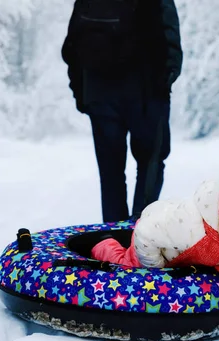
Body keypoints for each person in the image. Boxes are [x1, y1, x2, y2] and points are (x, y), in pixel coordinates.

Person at [61, 0, 183, 222]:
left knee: (110, 173)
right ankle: (140, 229)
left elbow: (71, 46)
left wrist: (82, 93)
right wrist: (163, 84)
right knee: (151, 162)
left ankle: (112, 237)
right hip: (146, 95)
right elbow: (171, 42)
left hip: (99, 95)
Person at [90, 158, 219, 277]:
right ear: (218, 214)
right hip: (155, 238)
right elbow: (145, 232)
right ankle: (103, 244)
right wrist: (157, 269)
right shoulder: (188, 226)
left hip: (179, 253)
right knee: (129, 264)